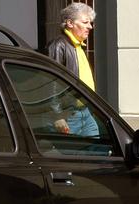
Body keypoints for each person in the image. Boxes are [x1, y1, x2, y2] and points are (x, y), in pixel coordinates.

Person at [46, 2, 98, 137]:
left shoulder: (78, 46)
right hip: (69, 115)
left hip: (85, 113)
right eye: (85, 22)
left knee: (98, 152)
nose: (90, 27)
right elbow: (51, 82)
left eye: (90, 23)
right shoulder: (59, 45)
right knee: (71, 155)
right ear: (70, 23)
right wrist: (57, 115)